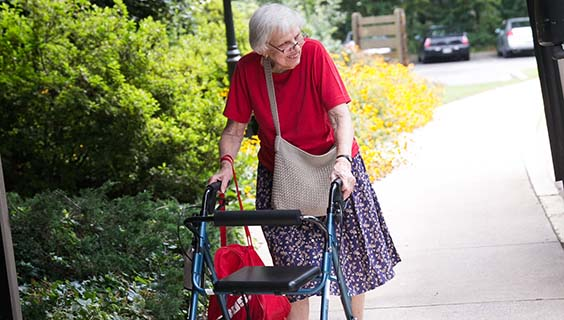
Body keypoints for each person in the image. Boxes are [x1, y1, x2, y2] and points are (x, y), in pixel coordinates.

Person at [208, 3, 400, 319]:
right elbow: (234, 129)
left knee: (349, 255)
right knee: (291, 270)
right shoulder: (247, 70)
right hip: (281, 175)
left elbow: (340, 116)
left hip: (335, 167)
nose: (296, 48)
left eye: (298, 38)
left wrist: (343, 161)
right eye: (285, 45)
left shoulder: (313, 53)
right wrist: (226, 164)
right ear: (263, 50)